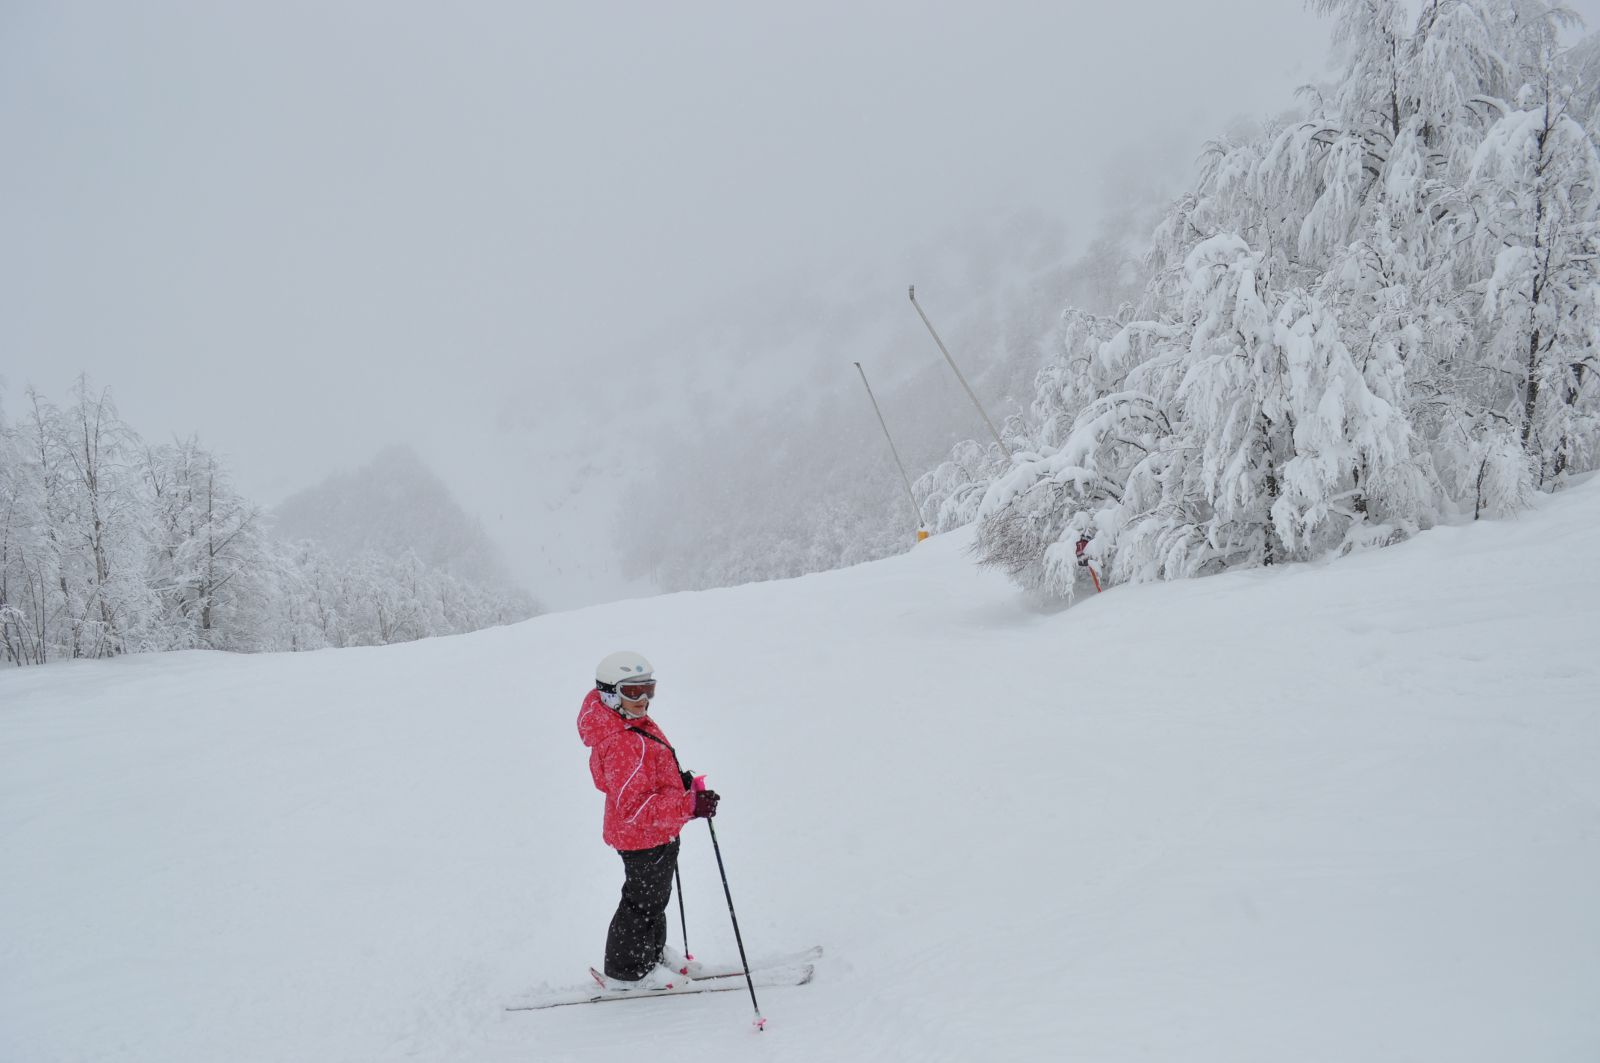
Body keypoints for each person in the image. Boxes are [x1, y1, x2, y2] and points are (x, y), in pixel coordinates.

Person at [577, 650, 721, 990]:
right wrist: (687, 805)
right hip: (641, 836)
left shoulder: (629, 722)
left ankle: (651, 953)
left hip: (656, 833)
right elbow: (634, 808)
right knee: (641, 903)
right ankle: (627, 972)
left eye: (648, 689)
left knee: (654, 900)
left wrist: (678, 784)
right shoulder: (622, 740)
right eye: (632, 691)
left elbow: (647, 775)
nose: (642, 699)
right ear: (610, 694)